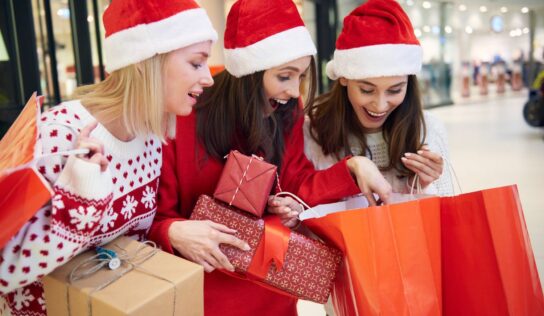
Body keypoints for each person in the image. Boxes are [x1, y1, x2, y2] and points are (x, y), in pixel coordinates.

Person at [148, 0, 392, 315]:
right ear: (249, 71)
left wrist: (355, 169)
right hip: (205, 292)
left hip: (271, 282)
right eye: (284, 77)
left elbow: (296, 181)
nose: (293, 90)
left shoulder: (285, 111)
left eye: (301, 76)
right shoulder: (182, 114)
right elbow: (153, 220)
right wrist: (174, 232)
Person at [0, 0, 217, 315]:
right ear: (147, 62)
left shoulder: (151, 138)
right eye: (197, 63)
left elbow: (129, 250)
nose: (209, 78)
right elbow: (6, 269)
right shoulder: (59, 135)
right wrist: (80, 201)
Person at [304, 0, 454, 198]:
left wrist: (419, 185)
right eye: (367, 90)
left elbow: (444, 212)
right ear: (343, 78)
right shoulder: (313, 131)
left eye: (395, 90)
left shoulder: (428, 128)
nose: (380, 104)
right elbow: (305, 213)